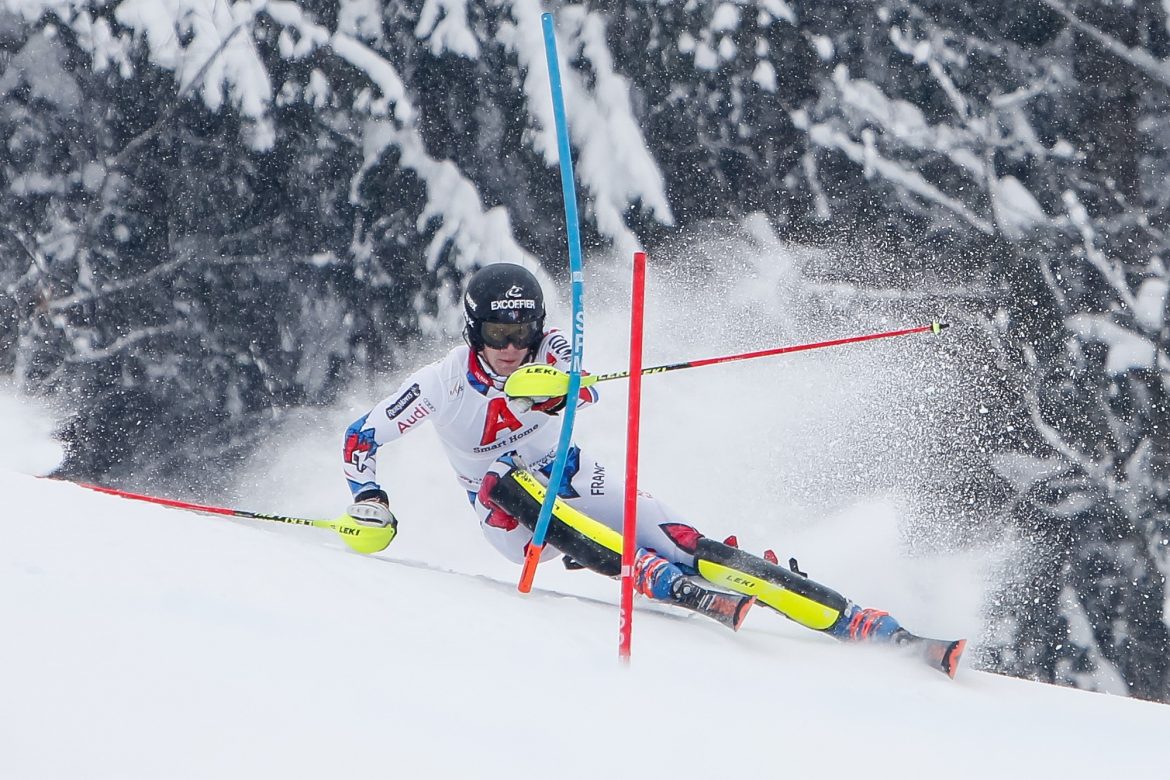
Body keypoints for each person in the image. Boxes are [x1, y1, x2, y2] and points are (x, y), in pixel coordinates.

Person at [342, 262, 965, 673]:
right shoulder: (440, 384)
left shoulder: (549, 348)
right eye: (498, 334)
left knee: (688, 543)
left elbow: (580, 382)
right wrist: (369, 498)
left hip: (573, 474)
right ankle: (650, 576)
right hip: (509, 515)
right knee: (509, 483)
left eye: (522, 333)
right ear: (474, 330)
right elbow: (360, 438)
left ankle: (868, 624)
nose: (511, 349)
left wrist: (558, 389)